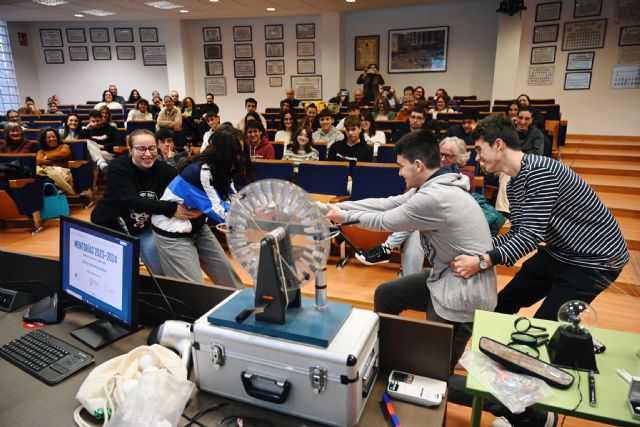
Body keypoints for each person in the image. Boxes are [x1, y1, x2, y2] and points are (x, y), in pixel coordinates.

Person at [325, 130, 497, 370]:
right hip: (446, 277)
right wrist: (331, 207)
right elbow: (387, 203)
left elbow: (384, 220)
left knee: (433, 373)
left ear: (417, 165)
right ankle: (389, 356)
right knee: (387, 294)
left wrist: (343, 216)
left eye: (401, 166)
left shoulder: (435, 197)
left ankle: (510, 403)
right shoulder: (433, 185)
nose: (398, 172)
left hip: (462, 295)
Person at [450, 114, 628, 322]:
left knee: (546, 324)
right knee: (500, 306)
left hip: (596, 260)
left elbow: (530, 236)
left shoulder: (540, 171)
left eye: (479, 149)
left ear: (498, 144)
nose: (477, 157)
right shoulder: (515, 181)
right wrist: (480, 247)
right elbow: (518, 232)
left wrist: (482, 261)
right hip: (560, 251)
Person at [356, 136, 475, 275]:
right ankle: (407, 280)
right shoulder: (431, 170)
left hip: (448, 225)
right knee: (414, 236)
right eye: (440, 154)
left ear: (459, 158)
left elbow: (435, 201)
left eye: (448, 156)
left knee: (415, 217)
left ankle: (387, 248)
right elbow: (411, 195)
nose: (442, 159)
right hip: (422, 222)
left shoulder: (464, 175)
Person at [151, 126, 246, 288]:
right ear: (224, 152)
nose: (239, 156)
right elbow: (219, 210)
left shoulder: (224, 168)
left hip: (198, 226)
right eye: (236, 151)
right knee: (195, 290)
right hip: (172, 231)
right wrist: (250, 219)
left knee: (230, 280)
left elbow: (232, 198)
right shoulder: (200, 171)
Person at [90, 129, 183, 275]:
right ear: (130, 150)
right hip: (109, 227)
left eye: (152, 148)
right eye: (141, 149)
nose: (148, 154)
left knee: (159, 271)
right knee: (109, 271)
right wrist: (172, 208)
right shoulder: (117, 167)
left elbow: (181, 193)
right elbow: (132, 200)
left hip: (142, 228)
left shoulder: (166, 171)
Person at [36, 128, 75, 195]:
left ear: (57, 137)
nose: (52, 139)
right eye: (48, 137)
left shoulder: (64, 146)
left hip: (63, 171)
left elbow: (64, 154)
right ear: (44, 140)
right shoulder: (41, 151)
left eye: (53, 136)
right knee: (44, 175)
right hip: (47, 173)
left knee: (50, 178)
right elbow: (39, 162)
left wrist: (47, 157)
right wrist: (56, 162)